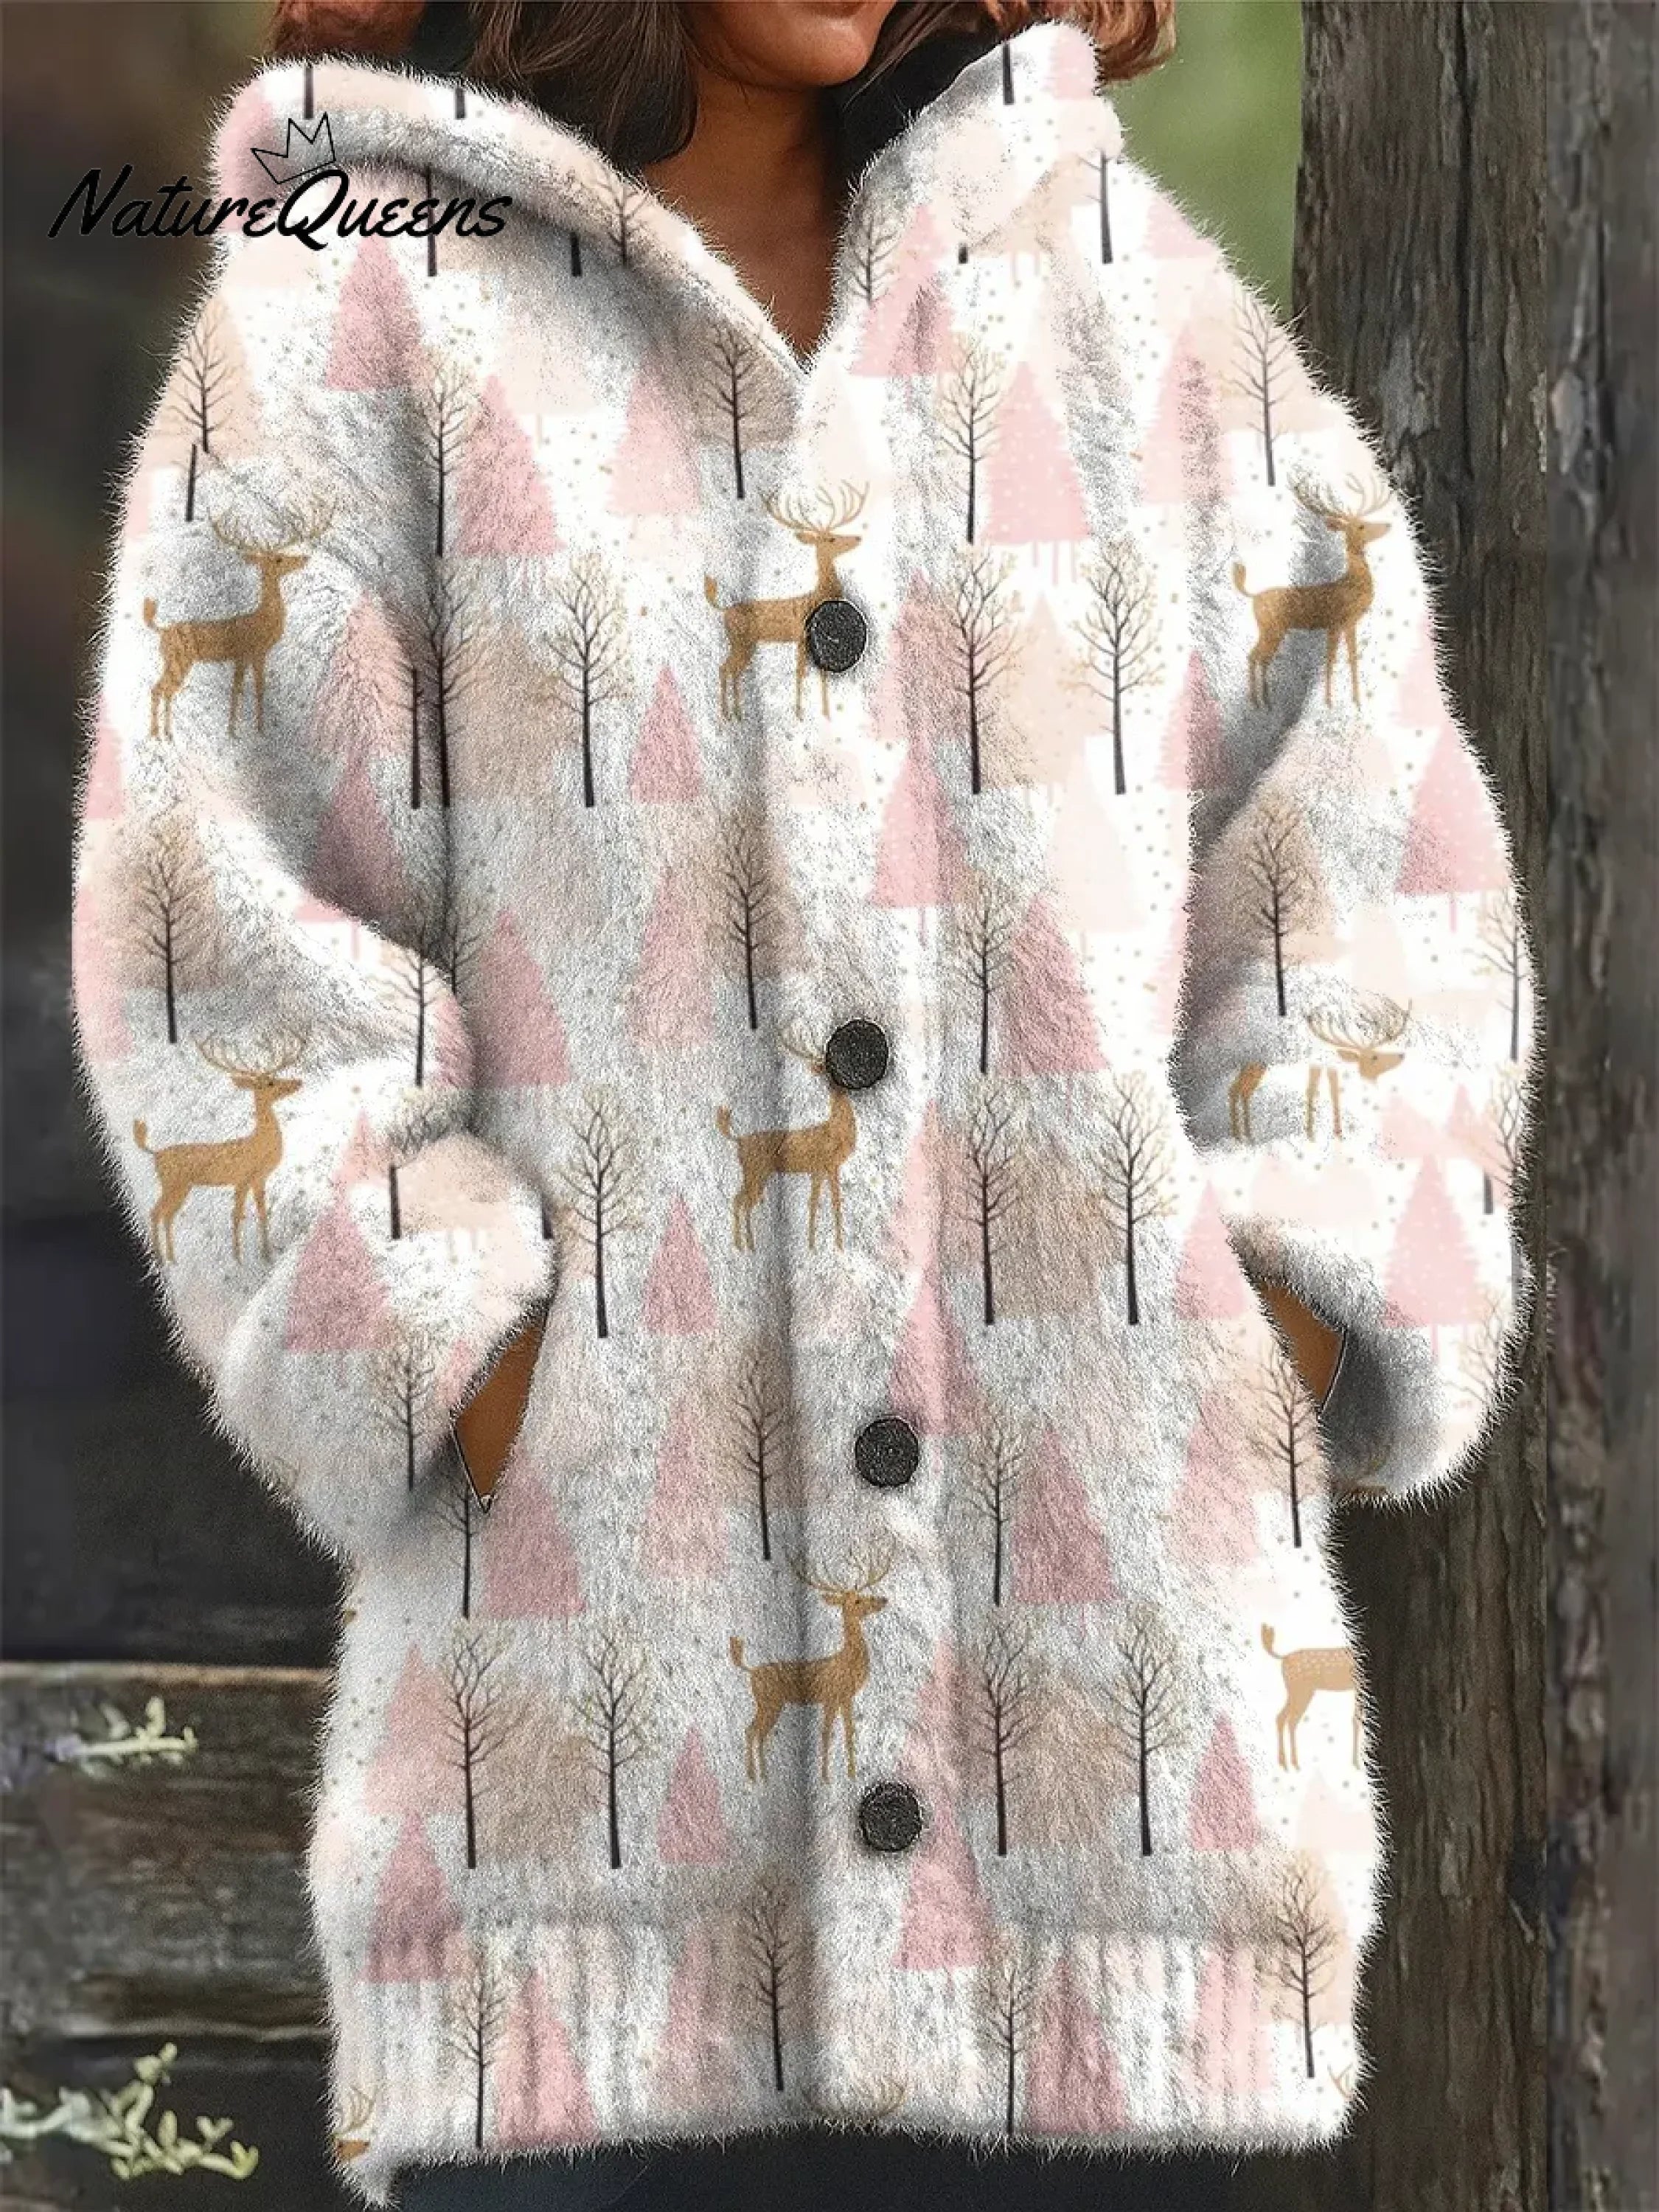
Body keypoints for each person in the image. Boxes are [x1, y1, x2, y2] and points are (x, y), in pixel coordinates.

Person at [70, 1, 1536, 2207]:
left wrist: (1268, 1327)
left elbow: (1378, 893)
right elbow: (225, 944)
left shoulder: (1131, 318)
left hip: (1118, 1890)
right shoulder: (357, 320)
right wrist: (472, 1375)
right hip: (572, 1899)